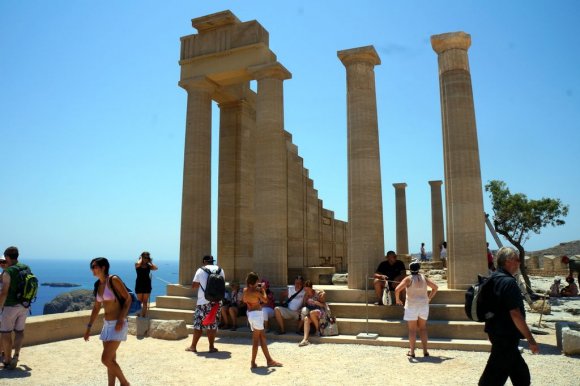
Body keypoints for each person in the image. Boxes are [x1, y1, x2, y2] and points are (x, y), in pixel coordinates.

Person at [478, 246, 539, 386]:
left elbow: (490, 307)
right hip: (506, 336)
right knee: (492, 378)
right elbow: (515, 314)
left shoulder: (492, 278)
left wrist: (489, 330)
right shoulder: (509, 282)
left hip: (496, 333)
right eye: (517, 259)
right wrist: (530, 339)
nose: (519, 263)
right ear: (508, 261)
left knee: (521, 374)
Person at [84, 257, 131, 386]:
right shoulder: (98, 285)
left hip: (118, 324)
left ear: (103, 267)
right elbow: (96, 307)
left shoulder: (113, 280)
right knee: (111, 360)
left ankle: (125, 383)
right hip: (107, 325)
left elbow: (128, 299)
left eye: (94, 266)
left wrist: (121, 318)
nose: (92, 269)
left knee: (105, 359)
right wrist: (88, 327)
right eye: (91, 267)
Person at [395, 261, 438, 358]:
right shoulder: (424, 277)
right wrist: (429, 298)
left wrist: (398, 300)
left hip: (411, 306)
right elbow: (435, 287)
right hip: (423, 305)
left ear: (410, 269)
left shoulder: (408, 279)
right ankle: (425, 351)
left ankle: (412, 352)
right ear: (419, 269)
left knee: (412, 330)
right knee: (423, 328)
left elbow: (397, 289)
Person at [0, 246, 32, 370]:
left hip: (10, 306)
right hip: (24, 305)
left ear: (7, 257)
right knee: (19, 332)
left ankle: (7, 360)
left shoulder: (9, 271)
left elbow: (4, 291)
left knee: (6, 333)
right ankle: (16, 356)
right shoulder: (26, 267)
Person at [242, 272, 282, 369]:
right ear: (253, 282)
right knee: (256, 340)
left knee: (262, 338)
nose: (258, 283)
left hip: (251, 315)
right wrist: (263, 290)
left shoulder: (245, 290)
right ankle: (254, 362)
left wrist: (256, 290)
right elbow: (265, 300)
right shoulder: (256, 292)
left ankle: (269, 360)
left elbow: (244, 300)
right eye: (257, 282)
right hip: (257, 316)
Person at [185, 255, 224, 353]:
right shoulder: (220, 270)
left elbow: (194, 285)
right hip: (216, 302)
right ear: (212, 261)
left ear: (204, 261)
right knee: (212, 324)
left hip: (203, 301)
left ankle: (193, 346)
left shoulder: (200, 270)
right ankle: (211, 347)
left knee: (198, 324)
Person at [298, 281, 327, 347]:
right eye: (305, 289)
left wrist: (317, 303)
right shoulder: (306, 295)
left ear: (311, 288)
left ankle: (317, 331)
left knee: (312, 313)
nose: (306, 291)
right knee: (306, 318)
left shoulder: (318, 294)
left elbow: (323, 305)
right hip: (312, 312)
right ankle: (305, 339)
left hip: (321, 311)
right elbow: (304, 305)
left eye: (308, 289)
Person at [134, 251, 158, 318]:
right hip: (139, 284)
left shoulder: (148, 266)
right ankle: (138, 315)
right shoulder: (137, 265)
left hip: (147, 284)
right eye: (145, 257)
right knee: (139, 301)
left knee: (145, 302)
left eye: (147, 257)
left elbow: (156, 268)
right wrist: (141, 259)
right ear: (141, 257)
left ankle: (143, 316)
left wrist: (150, 262)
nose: (146, 259)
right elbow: (137, 264)